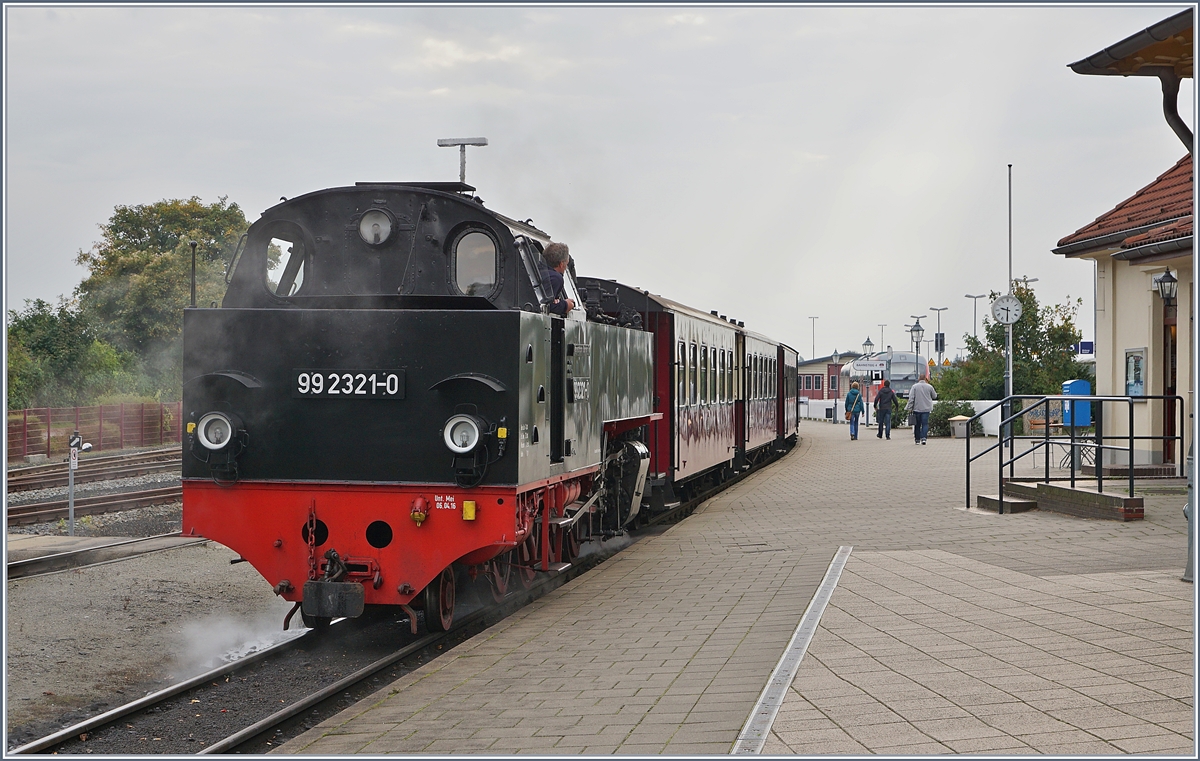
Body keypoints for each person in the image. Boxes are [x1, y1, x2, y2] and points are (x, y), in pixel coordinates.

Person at [539, 242, 576, 317]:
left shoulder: (538, 271)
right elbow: (548, 306)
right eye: (566, 264)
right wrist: (566, 305)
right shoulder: (556, 278)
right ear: (561, 264)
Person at [908, 373, 938, 445]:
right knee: (925, 424)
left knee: (917, 425)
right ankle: (924, 438)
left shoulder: (914, 387)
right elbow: (934, 396)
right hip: (926, 409)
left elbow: (911, 398)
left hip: (917, 408)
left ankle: (917, 440)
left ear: (919, 378)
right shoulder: (930, 387)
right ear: (925, 378)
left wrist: (910, 407)